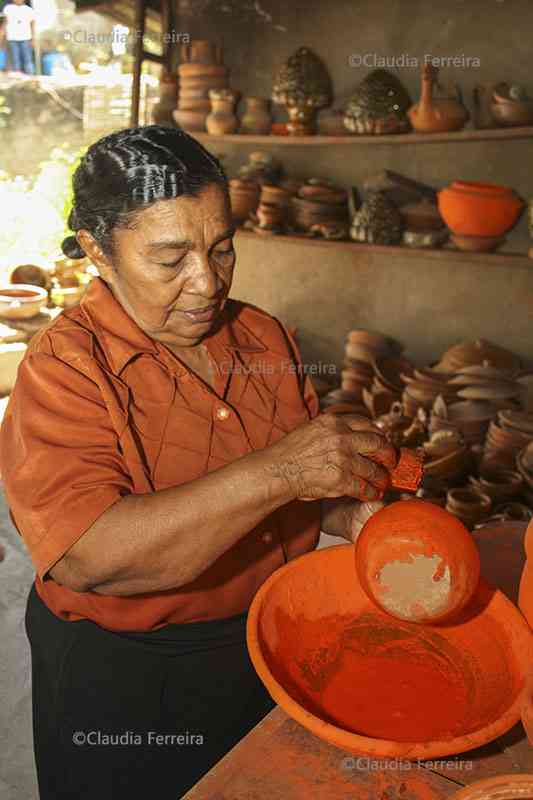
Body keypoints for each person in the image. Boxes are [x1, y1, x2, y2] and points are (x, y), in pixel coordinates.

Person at [0, 125, 395, 800]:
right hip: (128, 675)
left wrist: (346, 504)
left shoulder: (260, 335)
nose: (206, 283)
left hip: (259, 641)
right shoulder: (64, 369)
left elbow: (292, 494)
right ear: (98, 252)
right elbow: (91, 557)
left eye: (221, 249)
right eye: (169, 259)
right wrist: (284, 469)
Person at [2, 0, 35, 75]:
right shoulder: (8, 8)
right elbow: (5, 23)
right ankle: (18, 77)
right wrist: (3, 35)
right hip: (12, 38)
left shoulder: (28, 9)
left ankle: (30, 76)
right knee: (15, 60)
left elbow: (32, 24)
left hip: (25, 38)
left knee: (27, 59)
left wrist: (33, 39)